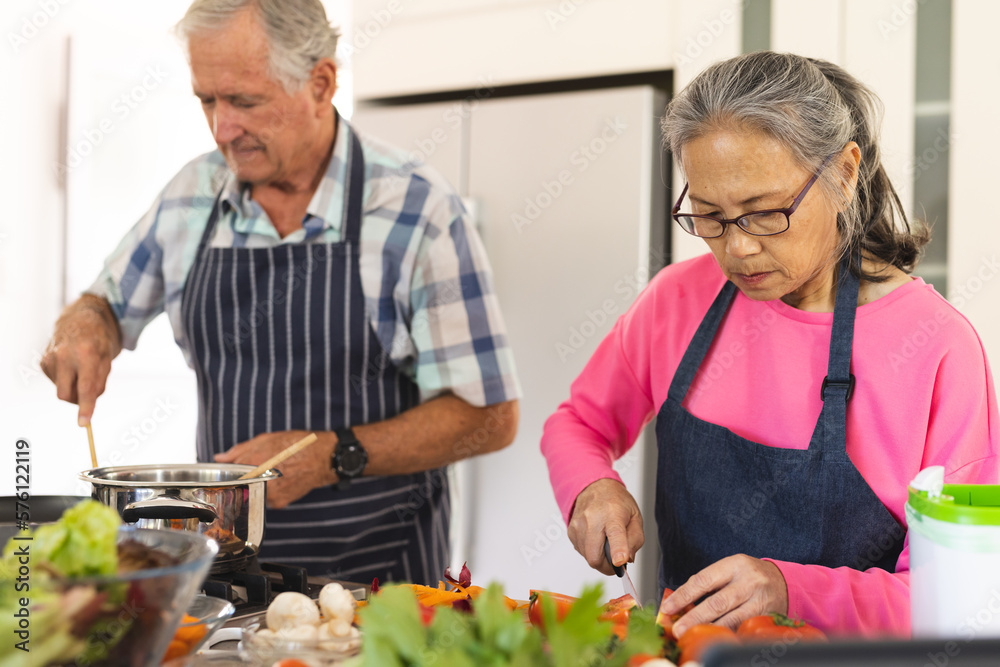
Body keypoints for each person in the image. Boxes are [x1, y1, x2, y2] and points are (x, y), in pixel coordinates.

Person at [39, 0, 520, 584]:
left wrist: (333, 455)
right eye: (206, 100)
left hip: (378, 589)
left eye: (243, 100)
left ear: (320, 83)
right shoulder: (192, 195)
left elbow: (490, 415)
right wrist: (83, 330)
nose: (222, 128)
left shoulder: (416, 212)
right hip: (224, 583)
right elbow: (104, 305)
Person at [541, 51, 998, 637]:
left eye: (764, 213)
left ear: (844, 171)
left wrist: (790, 589)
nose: (739, 250)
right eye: (709, 216)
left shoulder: (937, 349)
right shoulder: (677, 300)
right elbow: (578, 422)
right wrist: (590, 487)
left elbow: (963, 602)